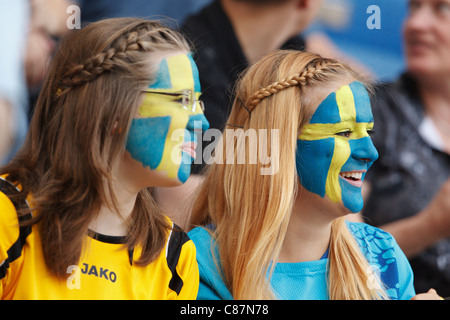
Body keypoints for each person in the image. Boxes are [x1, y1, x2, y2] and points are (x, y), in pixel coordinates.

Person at [187, 50, 425, 300]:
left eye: (368, 132)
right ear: (276, 146)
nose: (371, 152)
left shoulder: (382, 256)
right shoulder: (201, 262)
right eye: (344, 132)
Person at [0, 17, 209, 299]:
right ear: (113, 110)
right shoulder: (8, 216)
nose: (203, 123)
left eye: (199, 102)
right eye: (183, 100)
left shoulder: (174, 256)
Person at [362, 0, 450, 296]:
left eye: (443, 9)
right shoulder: (368, 114)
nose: (415, 24)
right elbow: (334, 252)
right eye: (413, 8)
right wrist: (429, 226)